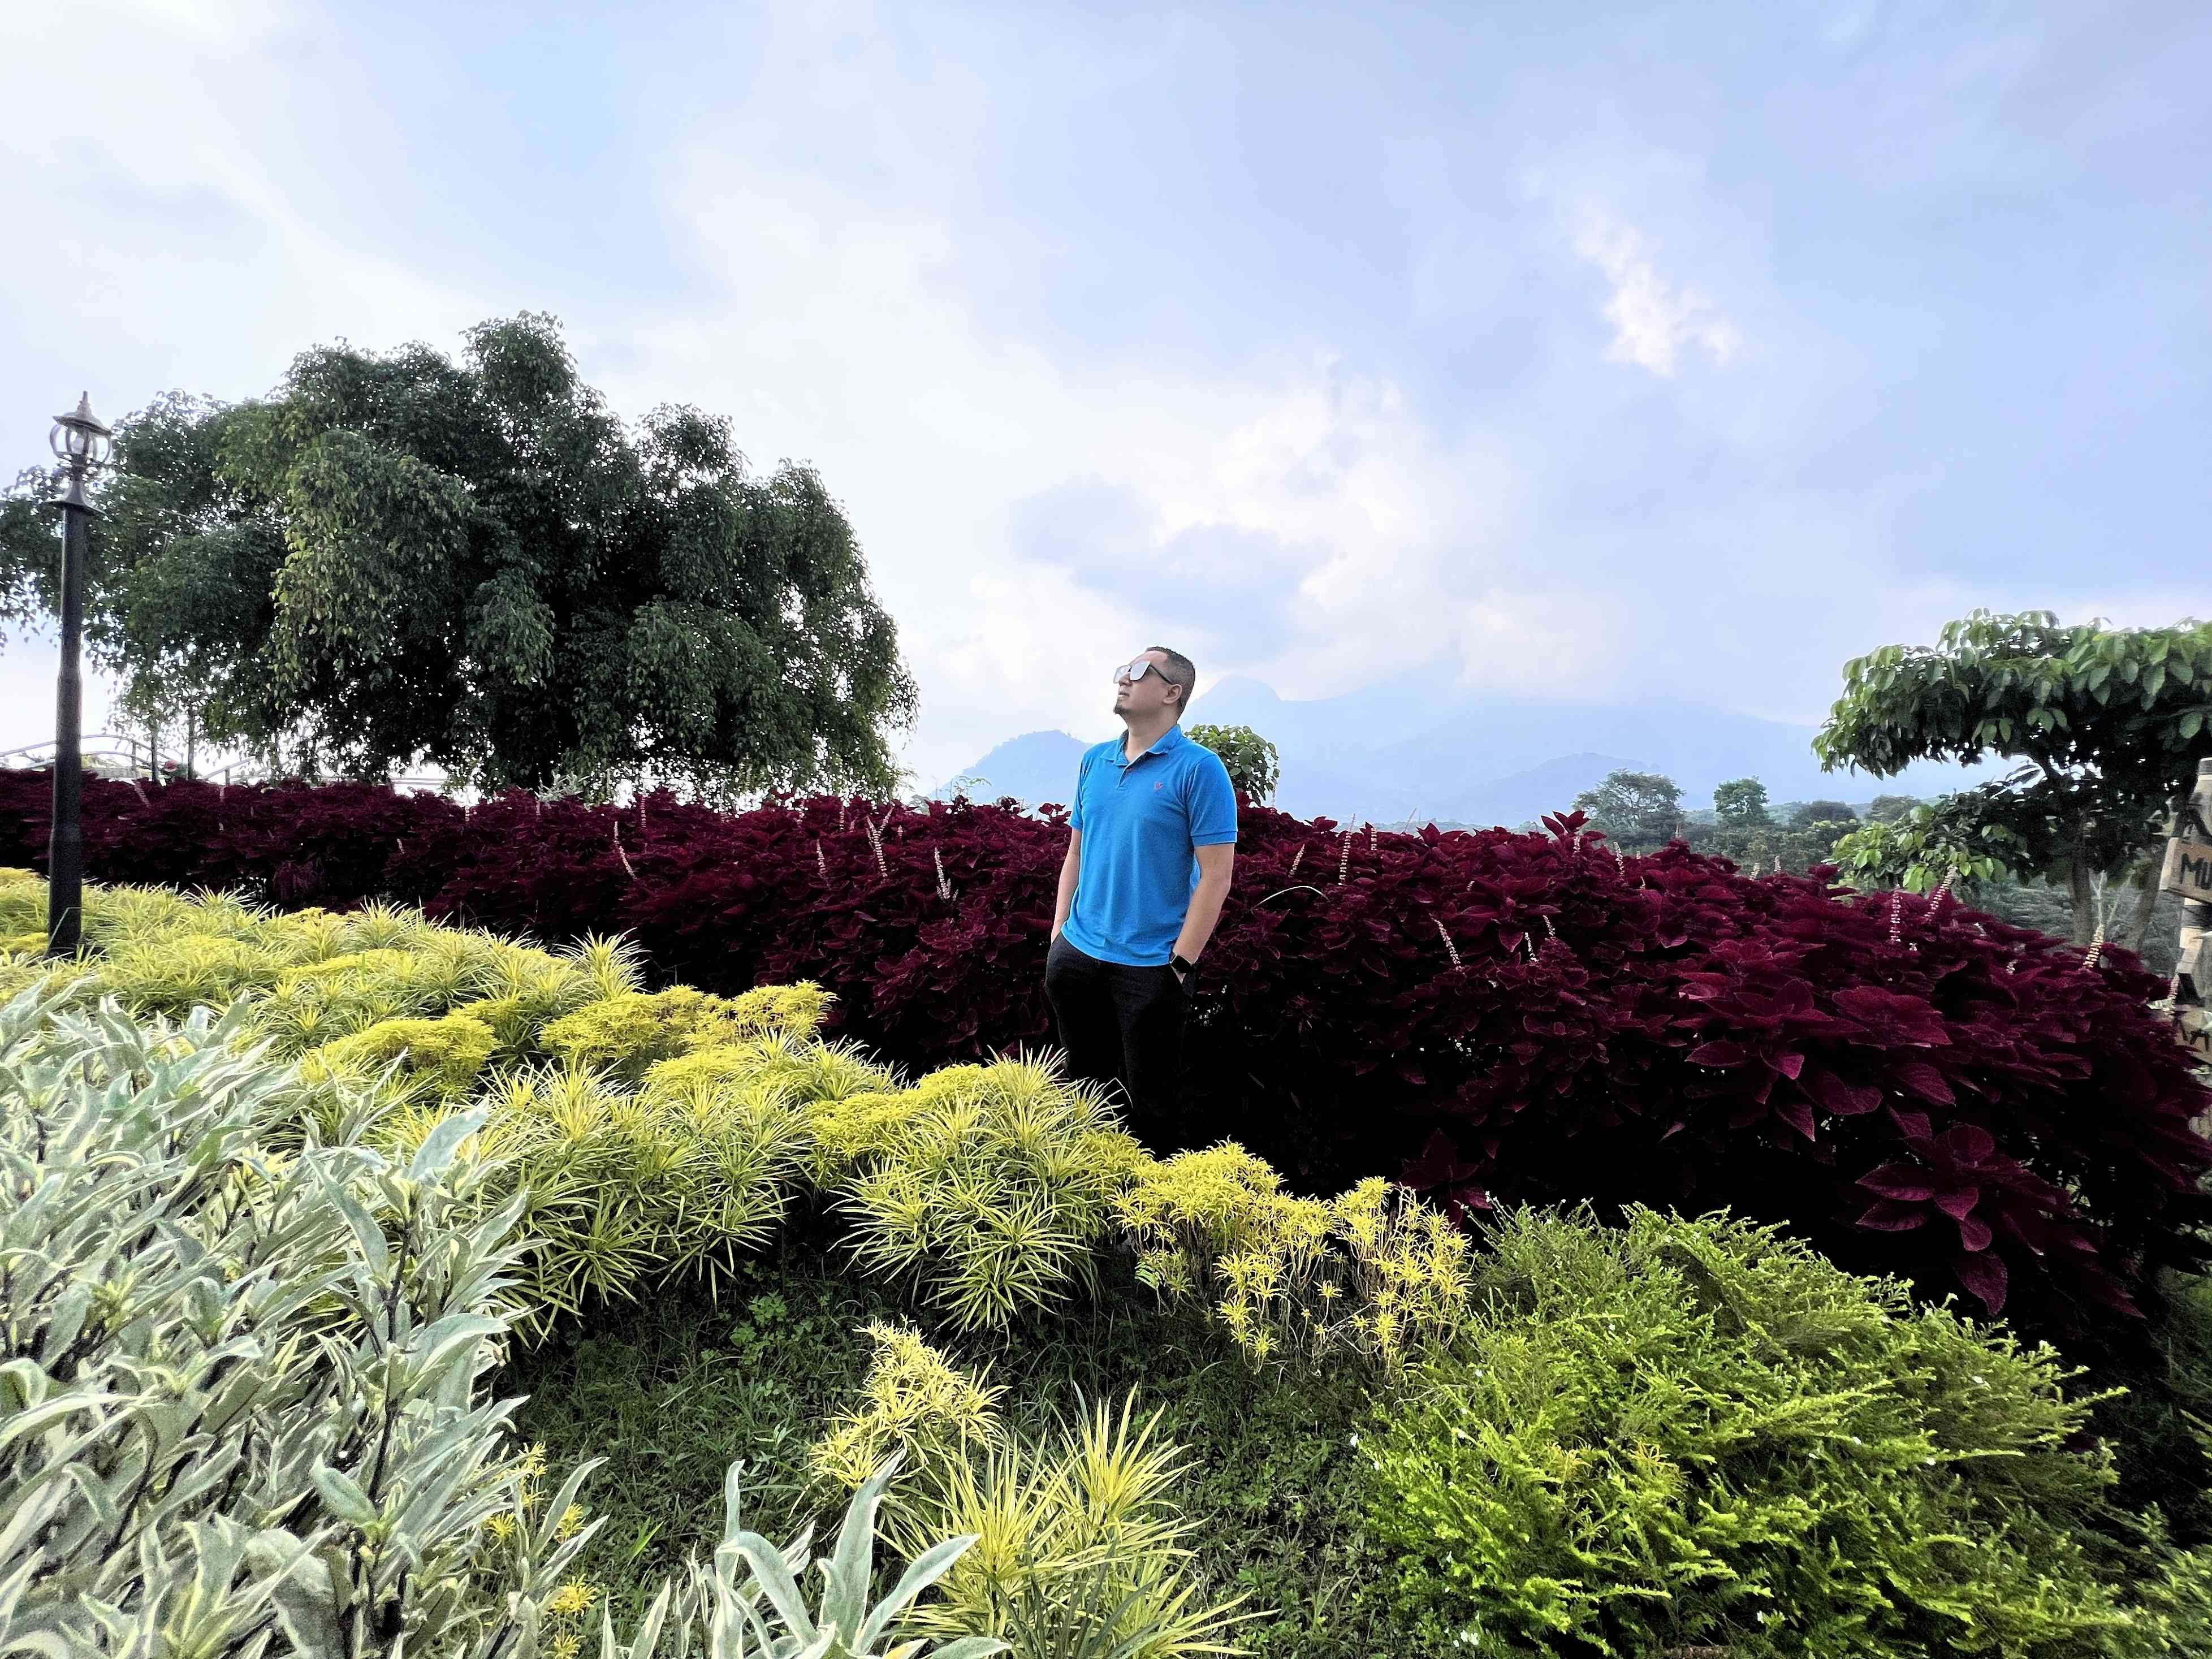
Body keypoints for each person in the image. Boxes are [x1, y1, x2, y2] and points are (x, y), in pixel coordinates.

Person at [1044, 646, 1237, 1146]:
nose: (1122, 679)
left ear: (1173, 693)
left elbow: (1217, 876)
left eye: (1138, 672)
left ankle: (1148, 1221)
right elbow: (1076, 854)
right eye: (1122, 670)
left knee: (1153, 1108)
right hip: (1078, 954)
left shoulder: (1200, 769)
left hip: (1152, 968)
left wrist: (1181, 964)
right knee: (1079, 1100)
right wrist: (1059, 932)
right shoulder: (1094, 762)